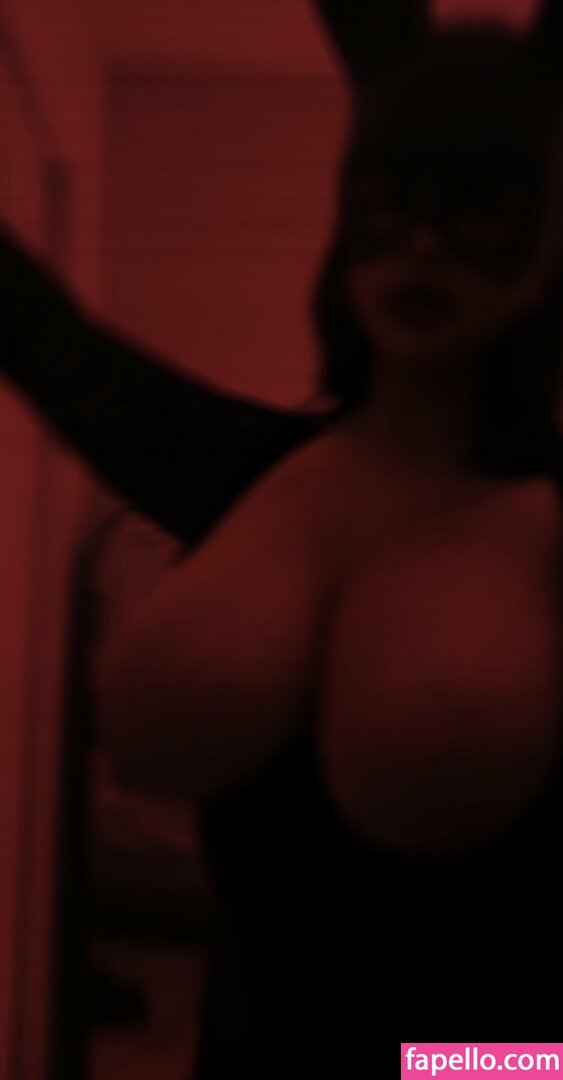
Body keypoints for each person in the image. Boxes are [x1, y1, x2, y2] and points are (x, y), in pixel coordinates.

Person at [94, 21, 563, 1080]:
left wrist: (463, 1067)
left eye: (479, 209)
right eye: (388, 204)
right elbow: (52, 341)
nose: (423, 247)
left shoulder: (544, 521)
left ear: (544, 252)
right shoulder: (249, 473)